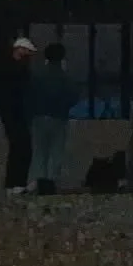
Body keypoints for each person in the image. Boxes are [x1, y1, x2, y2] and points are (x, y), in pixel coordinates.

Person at [26, 42, 81, 195]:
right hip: (58, 117)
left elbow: (28, 95)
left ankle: (36, 182)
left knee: (39, 152)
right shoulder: (64, 77)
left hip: (39, 117)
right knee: (56, 151)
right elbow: (74, 96)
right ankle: (52, 182)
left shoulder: (38, 75)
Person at [0, 36, 37, 194]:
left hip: (10, 112)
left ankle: (12, 184)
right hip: (16, 112)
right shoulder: (18, 70)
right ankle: (18, 183)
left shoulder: (5, 68)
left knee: (17, 147)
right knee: (23, 147)